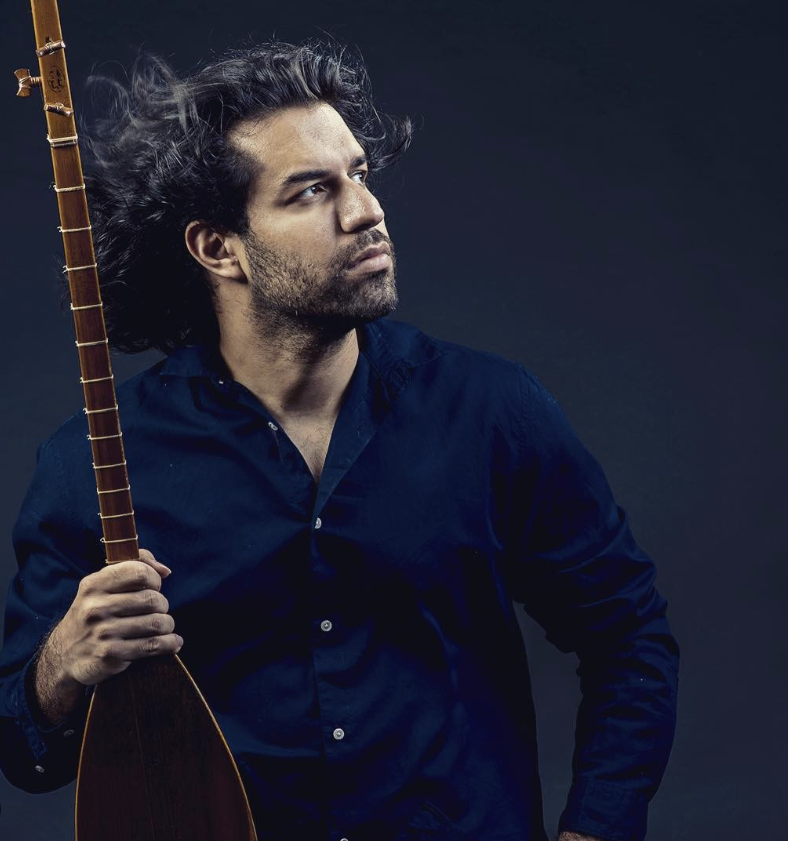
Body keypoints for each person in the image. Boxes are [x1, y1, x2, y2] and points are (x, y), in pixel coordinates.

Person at [0, 41, 679, 841]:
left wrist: (597, 829)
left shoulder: (492, 411)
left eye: (358, 174)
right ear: (219, 248)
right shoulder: (95, 460)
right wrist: (62, 663)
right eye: (312, 190)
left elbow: (629, 636)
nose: (365, 211)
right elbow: (23, 750)